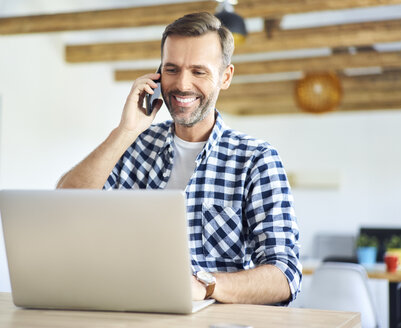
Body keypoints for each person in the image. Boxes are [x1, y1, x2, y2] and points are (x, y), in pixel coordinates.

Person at [57, 12, 301, 305]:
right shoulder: (135, 146)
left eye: (199, 72)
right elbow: (66, 206)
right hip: (130, 313)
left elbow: (285, 275)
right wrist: (126, 130)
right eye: (172, 69)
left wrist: (205, 285)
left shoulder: (256, 160)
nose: (182, 84)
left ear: (225, 77)